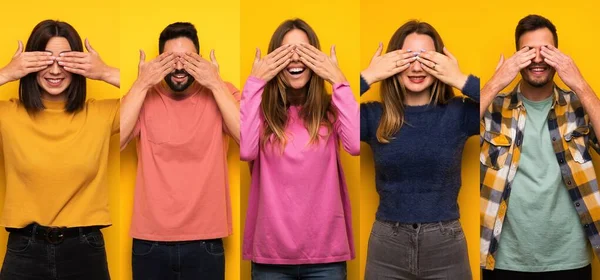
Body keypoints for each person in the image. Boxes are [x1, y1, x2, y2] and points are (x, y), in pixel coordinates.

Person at [480, 15, 600, 280]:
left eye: (546, 51)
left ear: (559, 56)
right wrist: (496, 82)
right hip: (503, 261)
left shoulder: (580, 106)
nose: (537, 59)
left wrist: (579, 83)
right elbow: (450, 136)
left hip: (570, 261)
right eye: (527, 52)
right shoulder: (492, 109)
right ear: (515, 58)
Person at [240, 18, 359, 279]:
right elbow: (246, 151)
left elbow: (354, 144)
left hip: (326, 257)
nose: (295, 60)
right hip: (271, 256)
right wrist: (255, 82)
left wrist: (338, 80)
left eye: (304, 52)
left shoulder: (331, 108)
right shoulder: (259, 110)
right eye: (285, 53)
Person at [360, 20, 479, 280]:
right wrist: (368, 76)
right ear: (392, 63)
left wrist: (460, 79)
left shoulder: (459, 112)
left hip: (446, 244)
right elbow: (331, 117)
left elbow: (501, 109)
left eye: (426, 58)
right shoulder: (373, 116)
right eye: (407, 58)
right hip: (387, 246)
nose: (416, 67)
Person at [0, 20, 120, 279]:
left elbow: (159, 98)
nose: (55, 70)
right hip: (24, 251)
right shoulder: (7, 114)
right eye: (45, 60)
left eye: (65, 60)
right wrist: (6, 73)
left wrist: (105, 72)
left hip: (85, 251)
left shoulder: (102, 113)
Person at [120, 22, 240, 280]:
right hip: (149, 242)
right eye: (169, 59)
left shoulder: (222, 92)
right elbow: (114, 140)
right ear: (158, 60)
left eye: (187, 59)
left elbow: (248, 137)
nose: (178, 67)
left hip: (205, 242)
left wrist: (215, 83)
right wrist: (141, 85)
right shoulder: (143, 94)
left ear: (200, 59)